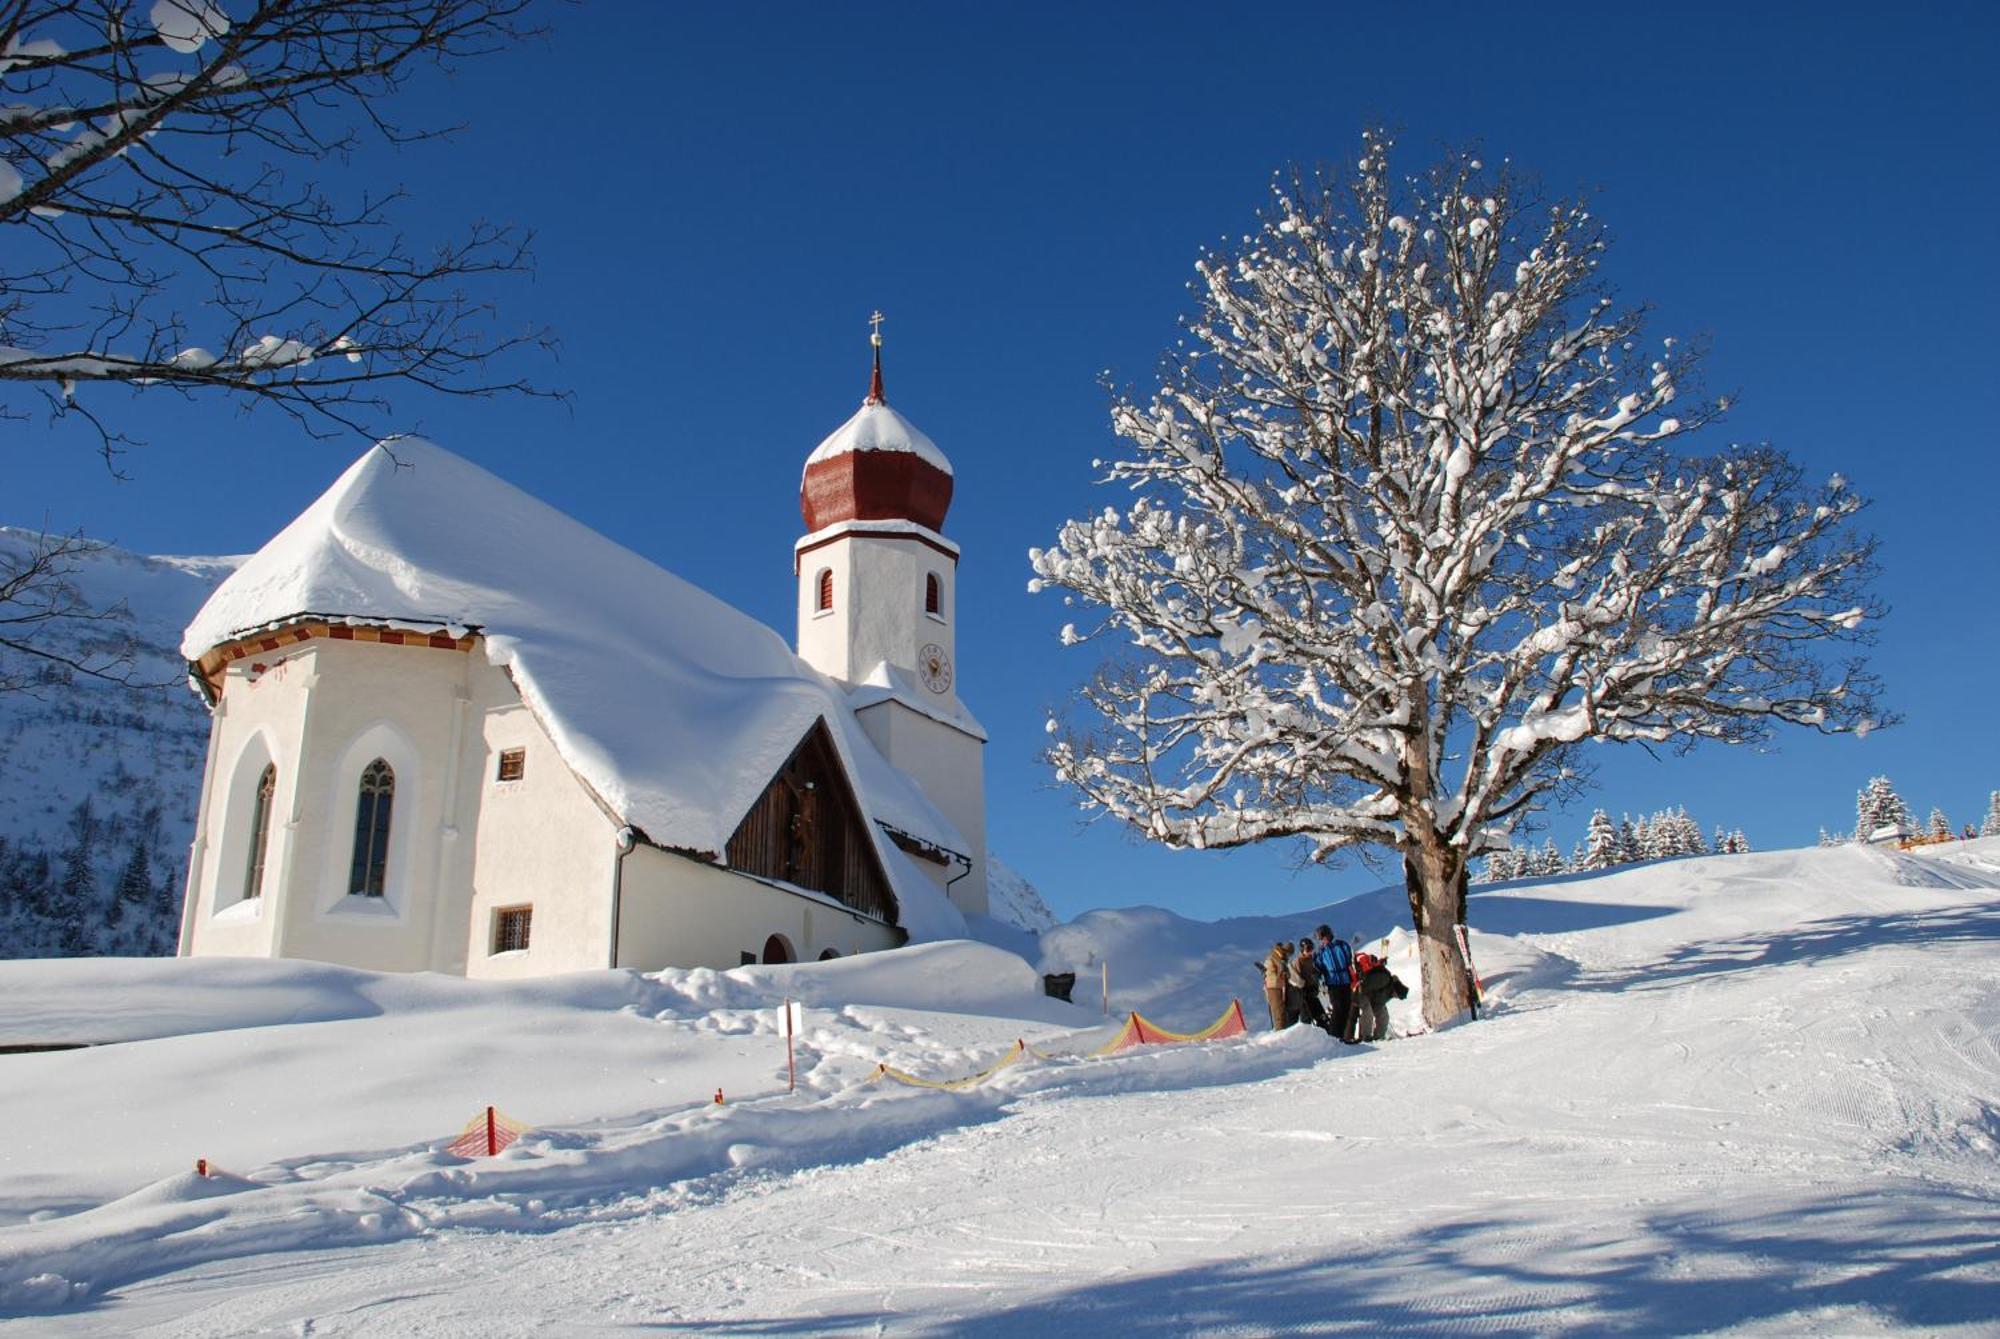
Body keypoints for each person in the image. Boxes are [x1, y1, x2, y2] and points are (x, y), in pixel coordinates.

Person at [1349, 949, 1409, 1042]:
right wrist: (1359, 996)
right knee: (1368, 1012)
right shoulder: (1384, 979)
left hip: (1371, 997)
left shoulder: (1388, 991)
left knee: (1383, 1015)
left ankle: (1379, 1037)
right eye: (1398, 996)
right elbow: (1366, 984)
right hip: (1360, 991)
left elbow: (1378, 1000)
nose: (1396, 998)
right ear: (1396, 991)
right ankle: (1366, 1037)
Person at [1314, 925, 1355, 1043]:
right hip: (1333, 983)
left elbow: (1349, 960)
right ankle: (1333, 1037)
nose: (1322, 940)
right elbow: (1318, 967)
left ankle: (1342, 1036)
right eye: (1320, 939)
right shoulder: (1321, 952)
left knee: (1346, 1008)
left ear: (1329, 935)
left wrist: (1353, 976)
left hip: (1345, 980)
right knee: (1338, 1008)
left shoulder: (1342, 945)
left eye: (1323, 937)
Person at [1291, 938, 1325, 1031]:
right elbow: (1296, 978)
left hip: (1313, 990)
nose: (1310, 951)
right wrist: (1302, 988)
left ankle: (1325, 1030)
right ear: (1302, 949)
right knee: (1307, 1017)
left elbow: (1315, 972)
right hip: (1304, 993)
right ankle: (1307, 1034)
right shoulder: (1298, 961)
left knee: (1320, 1015)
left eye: (1311, 948)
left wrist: (1316, 980)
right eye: (1308, 949)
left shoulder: (1312, 959)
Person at [1258, 942, 1290, 1030]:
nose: (1288, 956)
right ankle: (1280, 1035)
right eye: (1288, 953)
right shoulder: (1274, 957)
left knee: (1282, 1013)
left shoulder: (1279, 958)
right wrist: (1282, 972)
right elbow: (1272, 974)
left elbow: (1284, 974)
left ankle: (1283, 1033)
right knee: (1279, 1014)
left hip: (1278, 987)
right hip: (1273, 987)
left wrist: (1284, 972)